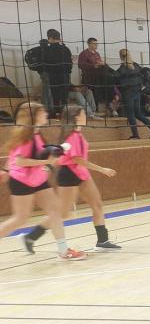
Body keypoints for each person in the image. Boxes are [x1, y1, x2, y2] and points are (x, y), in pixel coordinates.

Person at [22, 105, 123, 254]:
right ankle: (31, 236)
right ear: (76, 117)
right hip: (69, 174)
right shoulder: (72, 136)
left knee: (97, 204)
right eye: (83, 114)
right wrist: (102, 169)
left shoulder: (78, 133)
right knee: (63, 212)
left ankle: (102, 240)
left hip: (82, 174)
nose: (86, 116)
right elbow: (77, 159)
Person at [0, 102, 85, 261]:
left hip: (38, 180)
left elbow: (21, 156)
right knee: (20, 219)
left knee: (55, 210)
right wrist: (45, 162)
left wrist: (53, 153)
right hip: (21, 180)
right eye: (42, 111)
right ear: (34, 116)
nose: (46, 113)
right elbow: (19, 161)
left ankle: (63, 250)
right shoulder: (26, 136)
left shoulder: (37, 134)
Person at [24, 29, 73, 113]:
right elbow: (70, 65)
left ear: (50, 38)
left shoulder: (47, 50)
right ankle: (64, 114)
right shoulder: (66, 49)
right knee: (64, 97)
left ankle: (55, 113)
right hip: (65, 76)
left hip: (53, 77)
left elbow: (44, 64)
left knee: (55, 97)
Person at [116, 50, 150, 140]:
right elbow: (146, 75)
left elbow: (116, 78)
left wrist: (105, 66)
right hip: (137, 93)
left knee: (131, 115)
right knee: (138, 114)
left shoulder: (122, 68)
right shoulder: (136, 65)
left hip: (128, 94)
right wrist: (142, 86)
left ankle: (136, 135)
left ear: (120, 56)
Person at [77, 38, 108, 113]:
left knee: (97, 94)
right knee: (89, 94)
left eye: (97, 44)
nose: (96, 45)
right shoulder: (84, 53)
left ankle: (95, 110)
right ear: (89, 44)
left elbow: (99, 62)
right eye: (94, 44)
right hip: (88, 78)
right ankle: (89, 111)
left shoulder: (97, 54)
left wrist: (101, 64)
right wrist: (93, 66)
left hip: (97, 77)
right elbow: (80, 65)